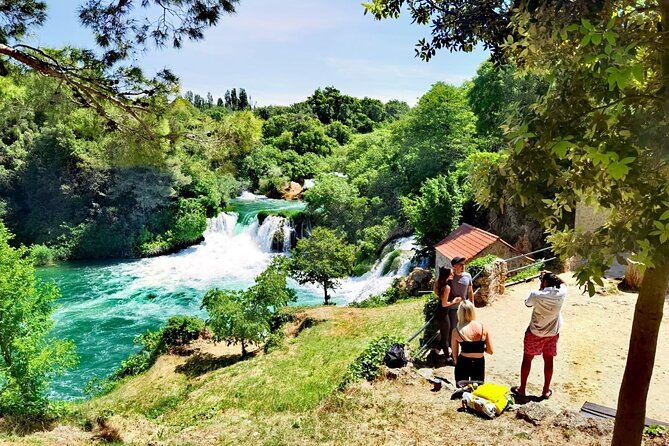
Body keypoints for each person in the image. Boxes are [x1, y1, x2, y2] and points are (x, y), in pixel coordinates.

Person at [512, 271, 567, 400]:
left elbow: (527, 304)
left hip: (535, 332)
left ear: (545, 282)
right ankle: (546, 390)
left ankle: (522, 389)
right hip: (552, 333)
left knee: (527, 359)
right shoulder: (561, 293)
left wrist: (544, 281)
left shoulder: (536, 295)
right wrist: (551, 274)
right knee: (549, 360)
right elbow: (564, 283)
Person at [451, 299, 493, 383]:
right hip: (479, 363)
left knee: (462, 392)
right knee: (477, 391)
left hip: (463, 362)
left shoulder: (456, 331)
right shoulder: (484, 328)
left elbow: (455, 355)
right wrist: (479, 348)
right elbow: (490, 351)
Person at [434, 267, 457, 361]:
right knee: (445, 337)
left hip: (440, 312)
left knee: (445, 334)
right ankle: (448, 358)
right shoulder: (447, 287)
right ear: (447, 275)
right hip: (443, 313)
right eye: (451, 274)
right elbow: (444, 303)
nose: (453, 275)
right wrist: (454, 301)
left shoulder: (439, 282)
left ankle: (436, 352)